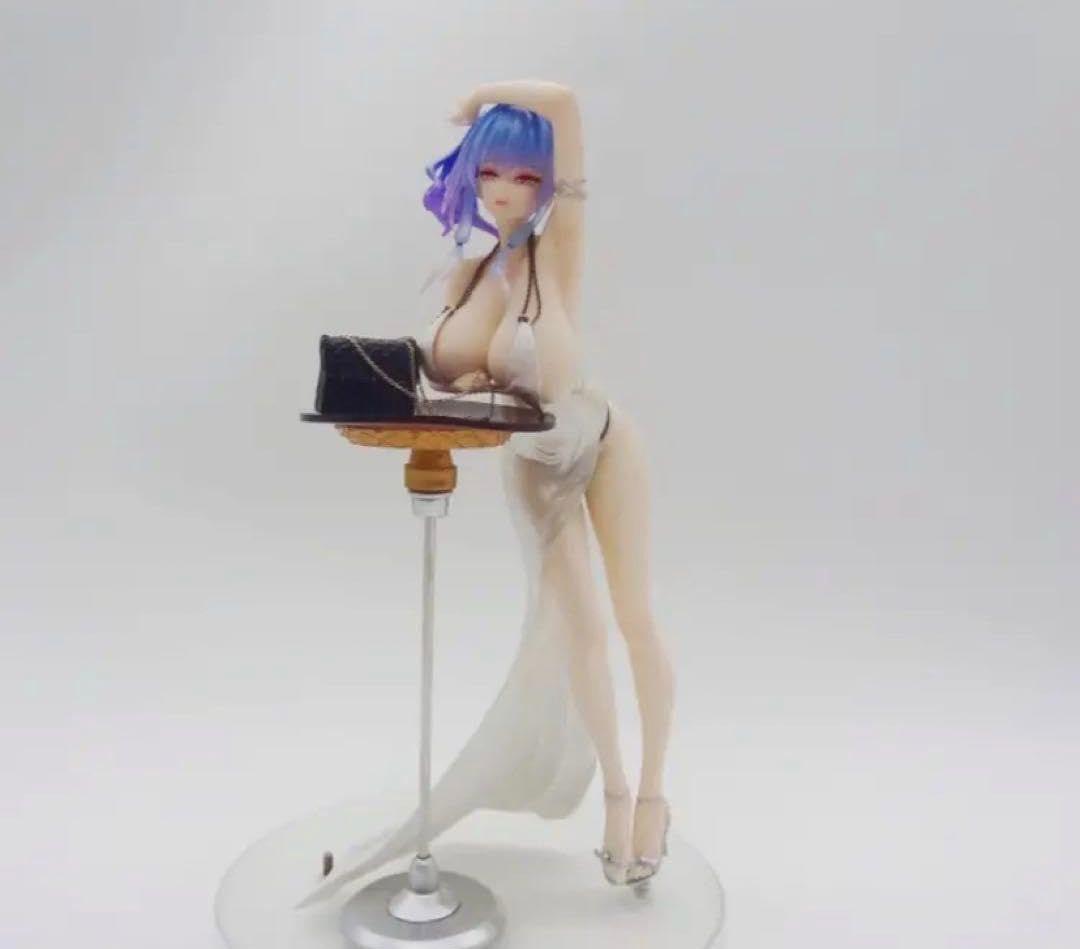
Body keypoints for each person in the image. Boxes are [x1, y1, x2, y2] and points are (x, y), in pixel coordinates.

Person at [296, 80, 675, 909]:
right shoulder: (468, 276)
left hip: (602, 440)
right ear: (469, 174)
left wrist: (484, 99)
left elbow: (566, 104)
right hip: (533, 468)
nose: (505, 189)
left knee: (633, 618)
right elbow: (457, 373)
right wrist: (463, 378)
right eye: (491, 171)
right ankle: (613, 794)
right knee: (579, 634)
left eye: (526, 176)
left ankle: (651, 797)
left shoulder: (557, 250)